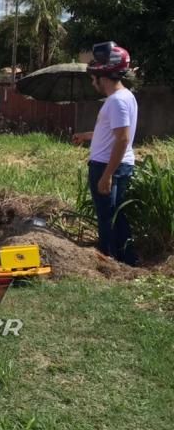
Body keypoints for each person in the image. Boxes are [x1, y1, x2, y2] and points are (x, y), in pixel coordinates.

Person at [72, 42, 138, 265]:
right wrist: (87, 135)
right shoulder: (125, 97)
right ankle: (127, 259)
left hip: (108, 165)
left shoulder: (117, 101)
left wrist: (107, 174)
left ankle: (108, 261)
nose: (92, 82)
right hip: (117, 163)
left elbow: (122, 138)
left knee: (107, 217)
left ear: (103, 76)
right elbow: (113, 133)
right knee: (116, 215)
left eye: (94, 78)